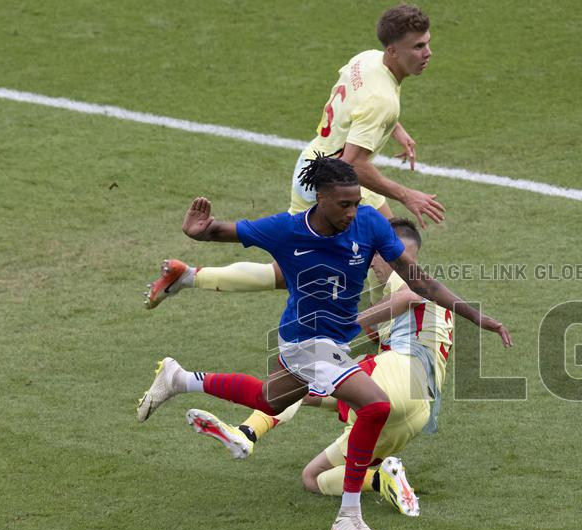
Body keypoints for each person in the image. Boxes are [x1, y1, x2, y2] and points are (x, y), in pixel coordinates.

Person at [137, 156, 511, 530]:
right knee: (377, 405)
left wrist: (476, 316)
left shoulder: (368, 222)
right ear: (320, 197)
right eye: (343, 204)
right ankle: (349, 515)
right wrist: (198, 231)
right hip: (303, 341)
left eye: (355, 202)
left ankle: (178, 379)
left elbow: (418, 280)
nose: (351, 212)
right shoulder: (285, 230)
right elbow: (217, 231)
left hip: (333, 343)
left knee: (269, 399)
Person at [142, 4, 441, 306]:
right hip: (329, 185)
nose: (427, 52)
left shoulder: (367, 59)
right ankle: (386, 335)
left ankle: (188, 276)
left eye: (427, 42)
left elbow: (359, 105)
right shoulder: (383, 101)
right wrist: (406, 195)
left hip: (318, 165)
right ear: (392, 51)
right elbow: (355, 163)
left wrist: (395, 129)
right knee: (380, 255)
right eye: (417, 46)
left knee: (382, 252)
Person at [185, 219, 451, 519]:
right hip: (419, 408)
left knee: (301, 380)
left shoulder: (407, 274)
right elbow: (394, 325)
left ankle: (246, 432)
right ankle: (381, 478)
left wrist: (347, 323)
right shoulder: (430, 298)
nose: (370, 260)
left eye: (374, 252)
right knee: (313, 478)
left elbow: (405, 298)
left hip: (397, 375)